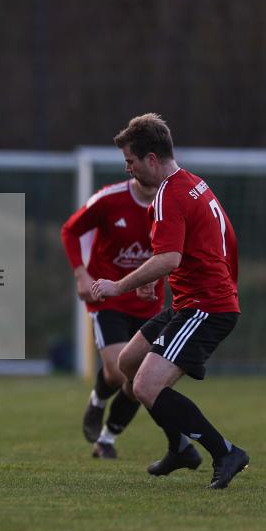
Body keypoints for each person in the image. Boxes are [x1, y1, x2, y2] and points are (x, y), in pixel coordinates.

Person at [92, 113, 248, 489]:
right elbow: (220, 240)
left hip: (204, 307)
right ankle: (179, 448)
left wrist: (120, 286)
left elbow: (169, 258)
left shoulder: (168, 195)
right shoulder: (193, 183)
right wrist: (166, 281)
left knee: (146, 387)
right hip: (191, 301)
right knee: (128, 364)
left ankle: (225, 451)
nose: (128, 170)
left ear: (151, 159)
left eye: (130, 162)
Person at [61, 176, 164, 459]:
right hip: (108, 297)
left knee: (141, 380)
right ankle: (97, 400)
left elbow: (179, 253)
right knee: (118, 372)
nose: (131, 166)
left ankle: (107, 439)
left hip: (150, 305)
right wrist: (81, 274)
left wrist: (158, 278)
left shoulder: (173, 201)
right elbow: (70, 230)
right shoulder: (109, 199)